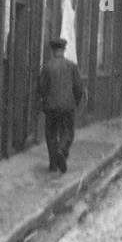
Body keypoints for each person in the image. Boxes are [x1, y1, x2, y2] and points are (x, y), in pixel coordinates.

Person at [36, 37, 85, 172]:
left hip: (51, 107)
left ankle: (53, 164)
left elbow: (41, 88)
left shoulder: (47, 67)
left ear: (52, 51)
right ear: (63, 50)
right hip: (67, 107)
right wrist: (75, 101)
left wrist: (44, 99)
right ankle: (62, 151)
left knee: (51, 134)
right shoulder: (72, 66)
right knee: (67, 132)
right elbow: (79, 87)